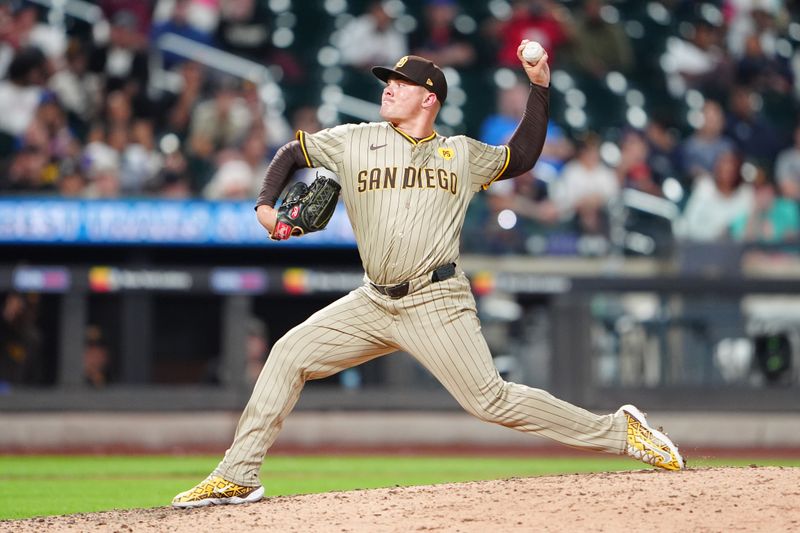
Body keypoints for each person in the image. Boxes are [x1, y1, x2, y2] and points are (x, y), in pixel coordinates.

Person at [172, 46, 684, 508]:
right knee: (288, 354)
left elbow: (522, 156)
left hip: (436, 301)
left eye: (400, 83)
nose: (388, 88)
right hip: (373, 301)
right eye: (386, 82)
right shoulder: (354, 140)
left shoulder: (459, 153)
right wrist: (266, 208)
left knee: (490, 400)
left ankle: (622, 432)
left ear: (429, 98)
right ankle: (238, 474)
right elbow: (291, 152)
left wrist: (540, 86)